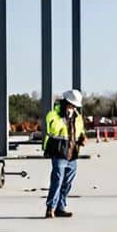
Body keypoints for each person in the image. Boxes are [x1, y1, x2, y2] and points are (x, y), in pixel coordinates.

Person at [43, 89, 87, 218]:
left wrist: (82, 137)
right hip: (58, 152)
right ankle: (50, 207)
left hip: (72, 153)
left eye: (74, 106)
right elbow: (53, 128)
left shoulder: (77, 117)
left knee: (67, 182)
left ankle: (60, 207)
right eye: (71, 104)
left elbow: (79, 130)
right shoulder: (53, 115)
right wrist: (64, 116)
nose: (73, 107)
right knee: (57, 180)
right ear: (66, 102)